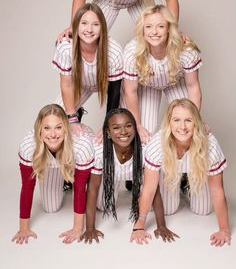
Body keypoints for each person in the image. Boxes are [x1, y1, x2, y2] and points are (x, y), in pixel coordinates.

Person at [130, 99, 231, 247]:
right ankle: (179, 183)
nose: (182, 127)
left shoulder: (210, 144)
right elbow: (149, 188)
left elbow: (217, 190)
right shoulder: (157, 144)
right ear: (169, 122)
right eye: (176, 120)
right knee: (169, 210)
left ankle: (188, 183)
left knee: (203, 211)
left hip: (197, 171)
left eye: (188, 120)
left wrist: (224, 229)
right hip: (170, 172)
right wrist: (139, 225)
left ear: (196, 122)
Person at [81, 108, 178, 243]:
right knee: (104, 207)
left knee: (151, 207)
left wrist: (161, 225)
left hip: (139, 177)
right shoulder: (99, 150)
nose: (123, 132)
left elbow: (153, 189)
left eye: (128, 126)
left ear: (135, 128)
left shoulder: (145, 148)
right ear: (108, 133)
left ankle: (135, 187)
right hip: (111, 177)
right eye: (116, 128)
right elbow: (92, 189)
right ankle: (125, 187)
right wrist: (89, 228)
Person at [12, 104, 94, 245]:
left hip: (76, 157)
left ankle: (69, 175)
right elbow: (27, 186)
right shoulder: (28, 145)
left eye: (58, 127)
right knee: (50, 208)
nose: (53, 134)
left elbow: (80, 188)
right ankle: (65, 179)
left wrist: (77, 228)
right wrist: (23, 228)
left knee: (101, 205)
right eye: (47, 128)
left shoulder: (82, 144)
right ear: (39, 130)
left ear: (66, 128)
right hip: (49, 162)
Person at [122, 4, 202, 143]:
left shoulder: (186, 51)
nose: (154, 32)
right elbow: (130, 91)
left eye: (160, 26)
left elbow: (193, 87)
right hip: (147, 86)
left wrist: (195, 120)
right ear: (142, 29)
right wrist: (137, 125)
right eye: (148, 27)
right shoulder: (132, 52)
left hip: (174, 83)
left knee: (185, 130)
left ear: (169, 28)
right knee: (145, 136)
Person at [52, 3, 123, 135]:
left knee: (120, 128)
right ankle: (77, 112)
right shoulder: (66, 47)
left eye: (95, 24)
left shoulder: (114, 51)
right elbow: (67, 85)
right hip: (81, 84)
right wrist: (72, 117)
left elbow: (115, 92)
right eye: (84, 23)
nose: (89, 29)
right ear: (75, 26)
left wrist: (108, 124)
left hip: (109, 86)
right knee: (54, 120)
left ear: (102, 27)